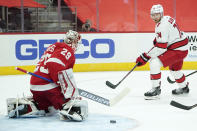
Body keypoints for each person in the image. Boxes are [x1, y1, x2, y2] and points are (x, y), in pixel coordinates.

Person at [7, 30, 88, 121]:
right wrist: (60, 83)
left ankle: (31, 106)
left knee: (50, 109)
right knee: (66, 78)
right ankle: (69, 106)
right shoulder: (67, 49)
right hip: (49, 88)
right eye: (76, 42)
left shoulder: (53, 47)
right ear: (72, 42)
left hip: (35, 86)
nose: (77, 45)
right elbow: (53, 63)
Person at [136, 4, 189, 100]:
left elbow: (161, 48)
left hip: (177, 50)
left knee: (154, 63)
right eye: (153, 15)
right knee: (174, 70)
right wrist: (159, 39)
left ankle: (156, 89)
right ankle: (184, 87)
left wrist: (145, 57)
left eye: (157, 14)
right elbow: (169, 34)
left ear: (161, 14)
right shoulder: (167, 18)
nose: (155, 17)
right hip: (182, 47)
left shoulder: (161, 26)